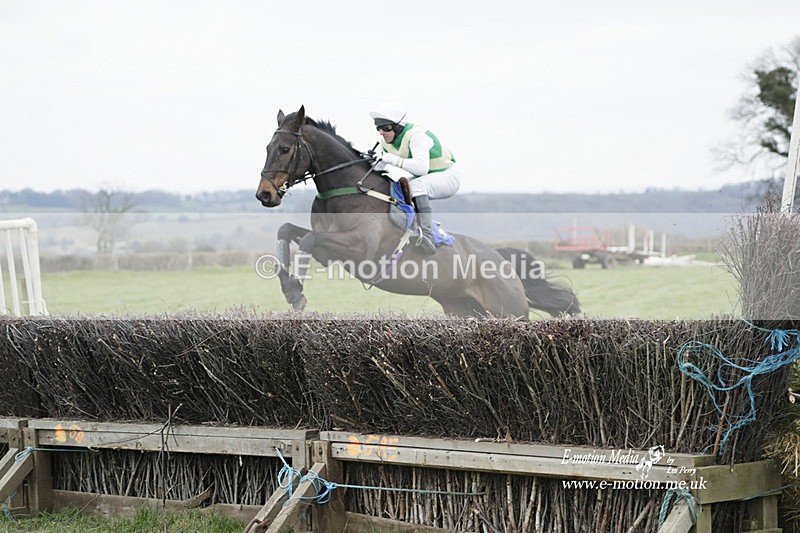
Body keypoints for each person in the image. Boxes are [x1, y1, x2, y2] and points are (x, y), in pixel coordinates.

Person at [369, 101, 461, 255]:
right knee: (399, 187)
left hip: (448, 176)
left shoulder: (416, 136)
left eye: (386, 127)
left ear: (398, 126)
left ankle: (427, 235)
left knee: (417, 186)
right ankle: (410, 227)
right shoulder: (385, 141)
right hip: (429, 177)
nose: (381, 132)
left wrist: (389, 158)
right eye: (378, 127)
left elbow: (421, 168)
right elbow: (380, 168)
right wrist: (372, 161)